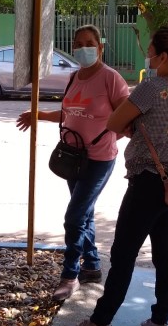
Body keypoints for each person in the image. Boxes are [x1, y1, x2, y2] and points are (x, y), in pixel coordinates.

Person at [61, 26, 168, 326]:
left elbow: (114, 122)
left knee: (124, 252)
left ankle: (100, 323)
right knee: (163, 250)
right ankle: (160, 320)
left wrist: (135, 125)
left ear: (163, 56)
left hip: (146, 182)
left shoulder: (152, 87)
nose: (149, 56)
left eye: (152, 50)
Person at [16, 25, 129, 301]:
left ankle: (69, 276)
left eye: (89, 43)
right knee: (85, 213)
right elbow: (69, 113)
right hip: (73, 158)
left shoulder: (111, 79)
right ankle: (91, 265)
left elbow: (128, 116)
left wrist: (109, 138)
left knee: (74, 216)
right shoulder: (74, 77)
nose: (83, 48)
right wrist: (38, 114)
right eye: (78, 44)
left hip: (99, 159)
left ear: (100, 47)